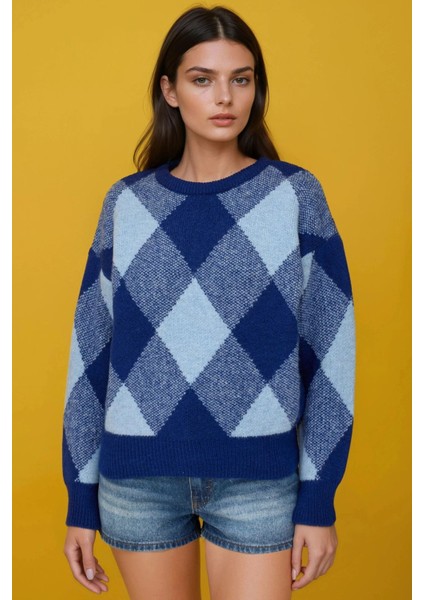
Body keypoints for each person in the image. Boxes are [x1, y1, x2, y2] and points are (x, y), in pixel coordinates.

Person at [62, 5, 356, 599]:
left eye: (240, 79)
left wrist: (319, 497)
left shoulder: (294, 196)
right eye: (203, 79)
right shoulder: (127, 204)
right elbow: (91, 354)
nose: (225, 97)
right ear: (170, 91)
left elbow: (331, 353)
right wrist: (80, 498)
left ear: (255, 88)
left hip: (259, 482)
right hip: (137, 483)